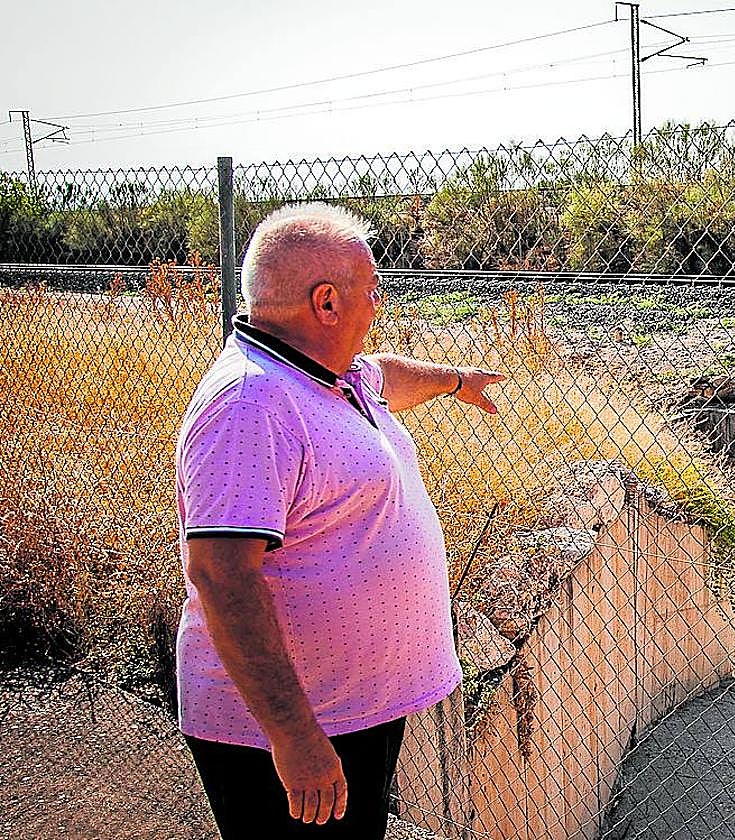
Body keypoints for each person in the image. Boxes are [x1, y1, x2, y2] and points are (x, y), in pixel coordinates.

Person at [174, 202, 503, 838]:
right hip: (294, 731)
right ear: (326, 303)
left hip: (351, 712)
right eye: (372, 291)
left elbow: (392, 377)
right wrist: (294, 737)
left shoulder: (332, 376)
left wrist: (458, 381)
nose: (379, 307)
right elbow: (222, 578)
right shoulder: (250, 404)